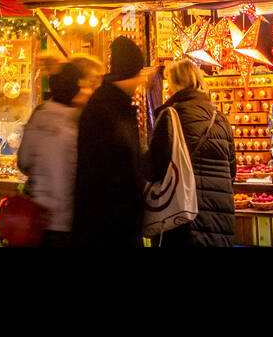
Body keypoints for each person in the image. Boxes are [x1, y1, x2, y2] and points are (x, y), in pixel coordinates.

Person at [148, 58, 237, 247]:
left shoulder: (171, 116)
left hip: (183, 218)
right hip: (220, 219)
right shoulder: (220, 119)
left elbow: (154, 169)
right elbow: (232, 172)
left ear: (174, 84)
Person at [71, 36, 149, 248]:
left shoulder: (118, 105)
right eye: (139, 73)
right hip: (107, 228)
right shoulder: (105, 108)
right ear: (129, 72)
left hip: (117, 225)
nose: (142, 79)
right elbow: (105, 170)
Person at [16, 62, 81, 246]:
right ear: (75, 89)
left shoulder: (39, 116)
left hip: (37, 215)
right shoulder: (75, 122)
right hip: (65, 220)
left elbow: (23, 161)